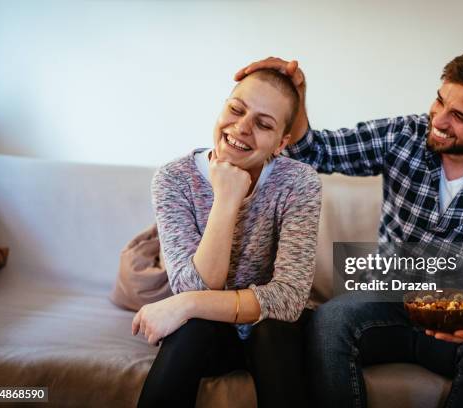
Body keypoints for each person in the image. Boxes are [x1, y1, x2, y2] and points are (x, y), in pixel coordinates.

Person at [236, 44, 463, 407]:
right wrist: (299, 94)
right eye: (439, 100)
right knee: (330, 320)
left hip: (457, 314)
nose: (439, 119)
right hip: (385, 300)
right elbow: (314, 152)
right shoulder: (404, 135)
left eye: (459, 116)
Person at [132, 69, 322, 408]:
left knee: (271, 332)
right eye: (236, 110)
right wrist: (226, 200)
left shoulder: (300, 182)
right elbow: (193, 284)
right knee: (192, 329)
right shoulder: (174, 179)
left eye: (263, 124)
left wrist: (187, 304)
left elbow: (289, 298)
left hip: (272, 332)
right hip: (208, 335)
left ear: (281, 143)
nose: (242, 127)